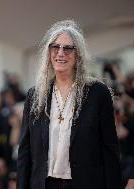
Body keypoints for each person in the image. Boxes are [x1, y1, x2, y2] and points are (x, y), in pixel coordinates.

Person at [17, 20, 122, 189]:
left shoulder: (97, 93)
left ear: (78, 54)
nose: (60, 53)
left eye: (68, 48)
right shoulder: (35, 95)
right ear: (48, 52)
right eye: (55, 47)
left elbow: (110, 150)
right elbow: (24, 152)